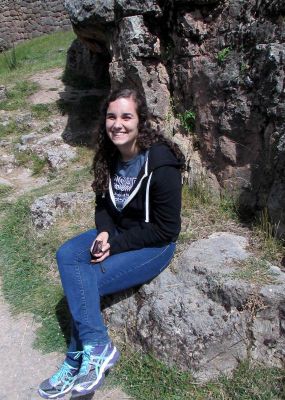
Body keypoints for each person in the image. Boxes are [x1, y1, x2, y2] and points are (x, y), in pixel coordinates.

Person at [38, 88, 185, 399]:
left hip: (153, 246)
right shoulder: (109, 154)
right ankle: (95, 347)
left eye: (126, 116)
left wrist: (114, 246)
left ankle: (77, 358)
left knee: (85, 279)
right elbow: (102, 205)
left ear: (141, 121)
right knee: (67, 254)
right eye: (111, 116)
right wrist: (104, 232)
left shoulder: (161, 162)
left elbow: (166, 229)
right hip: (117, 233)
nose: (117, 124)